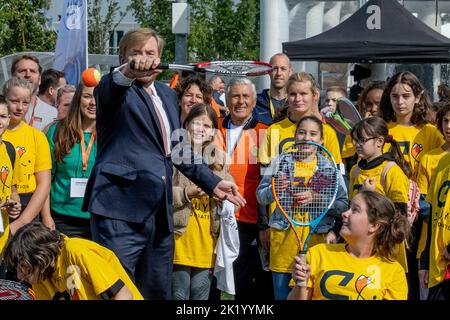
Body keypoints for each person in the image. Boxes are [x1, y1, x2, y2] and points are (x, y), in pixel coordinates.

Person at [82, 27, 245, 300]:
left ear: (160, 58)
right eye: (136, 53)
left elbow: (179, 149)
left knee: (158, 292)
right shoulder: (112, 89)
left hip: (160, 214)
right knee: (118, 290)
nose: (144, 58)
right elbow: (112, 86)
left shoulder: (168, 95)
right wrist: (129, 71)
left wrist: (213, 182)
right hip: (119, 211)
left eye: (150, 53)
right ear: (123, 56)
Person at [257, 116, 348, 300]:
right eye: (302, 132)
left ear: (321, 140)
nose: (307, 137)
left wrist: (317, 198)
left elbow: (343, 206)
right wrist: (275, 190)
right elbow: (260, 196)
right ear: (295, 136)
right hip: (283, 248)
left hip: (316, 247)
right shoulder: (280, 162)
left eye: (313, 134)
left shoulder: (328, 168)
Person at [380, 70, 444, 299]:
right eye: (395, 96)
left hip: (422, 214)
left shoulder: (430, 132)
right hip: (389, 212)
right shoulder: (382, 129)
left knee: (418, 277)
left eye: (406, 95)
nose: (400, 101)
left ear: (418, 97)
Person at [288, 191, 410, 300]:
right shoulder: (317, 253)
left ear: (374, 226)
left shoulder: (394, 272)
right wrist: (301, 284)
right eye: (348, 208)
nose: (344, 214)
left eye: (355, 210)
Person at [217, 78, 273, 301]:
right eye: (235, 96)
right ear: (228, 100)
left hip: (248, 217)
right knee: (214, 280)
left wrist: (264, 223)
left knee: (246, 281)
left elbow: (270, 181)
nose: (240, 101)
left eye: (245, 96)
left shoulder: (267, 131)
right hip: (216, 215)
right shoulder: (214, 126)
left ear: (253, 101)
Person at [172, 103, 234, 300]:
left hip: (206, 243)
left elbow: (229, 193)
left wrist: (225, 198)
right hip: (179, 239)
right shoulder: (174, 154)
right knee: (179, 296)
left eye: (206, 126)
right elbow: (160, 193)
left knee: (200, 297)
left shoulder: (221, 159)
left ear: (213, 131)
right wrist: (186, 193)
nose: (200, 129)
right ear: (186, 125)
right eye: (196, 123)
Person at [2, 222, 143, 300]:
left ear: (40, 257)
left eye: (23, 268)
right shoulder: (39, 276)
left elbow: (123, 295)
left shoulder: (77, 251)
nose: (20, 277)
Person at [42, 83, 97, 240]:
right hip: (61, 218)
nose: (93, 102)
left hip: (98, 220)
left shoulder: (110, 134)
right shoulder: (57, 131)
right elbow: (45, 180)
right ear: (78, 99)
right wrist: (46, 216)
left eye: (97, 97)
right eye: (87, 96)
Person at [2, 78, 51, 234]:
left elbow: (43, 184)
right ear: (4, 99)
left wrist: (24, 220)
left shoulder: (37, 137)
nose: (20, 107)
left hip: (28, 205)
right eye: (14, 101)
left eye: (25, 103)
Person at [418, 104, 450, 300]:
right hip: (438, 265)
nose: (449, 126)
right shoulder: (441, 163)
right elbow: (432, 216)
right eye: (446, 121)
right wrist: (425, 261)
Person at [11, 55, 58, 132]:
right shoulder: (3, 108)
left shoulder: (53, 113)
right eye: (22, 71)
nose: (27, 75)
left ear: (39, 80)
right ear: (13, 77)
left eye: (32, 71)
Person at [0, 96, 22, 256]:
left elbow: (12, 188)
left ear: (8, 119)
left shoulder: (9, 150)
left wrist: (15, 203)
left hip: (2, 235)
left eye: (2, 116)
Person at [254, 53, 292, 126]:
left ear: (290, 72)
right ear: (268, 71)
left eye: (283, 69)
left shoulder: (296, 102)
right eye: (275, 68)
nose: (279, 73)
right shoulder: (256, 102)